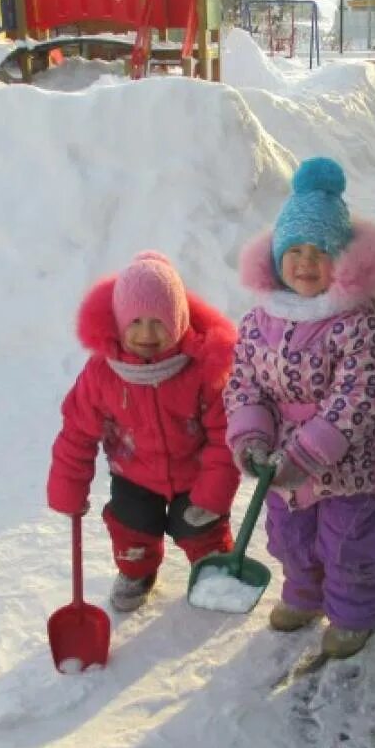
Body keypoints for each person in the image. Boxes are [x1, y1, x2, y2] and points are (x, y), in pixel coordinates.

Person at [225, 156, 375, 660]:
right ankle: (303, 595)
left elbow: (357, 399)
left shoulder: (361, 324)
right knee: (290, 534)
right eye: (294, 250)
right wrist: (251, 435)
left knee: (348, 544)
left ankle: (353, 613)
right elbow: (244, 382)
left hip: (352, 466)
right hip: (281, 465)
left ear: (341, 261)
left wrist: (308, 451)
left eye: (319, 252)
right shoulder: (262, 319)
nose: (305, 262)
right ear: (278, 256)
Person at [48, 251, 241, 612]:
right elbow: (77, 433)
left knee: (200, 525)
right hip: (134, 475)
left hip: (194, 474)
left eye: (159, 322)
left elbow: (224, 435)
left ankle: (212, 566)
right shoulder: (103, 374)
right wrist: (67, 488)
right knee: (131, 526)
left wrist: (213, 494)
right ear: (119, 322)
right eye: (135, 321)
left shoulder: (202, 369)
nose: (146, 334)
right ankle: (137, 571)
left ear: (180, 320)